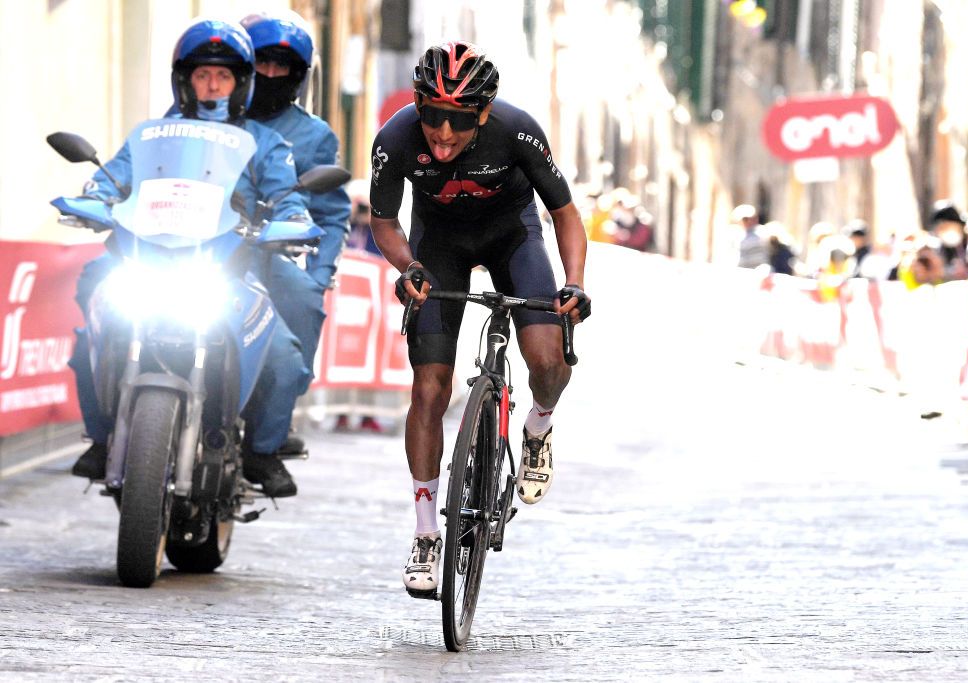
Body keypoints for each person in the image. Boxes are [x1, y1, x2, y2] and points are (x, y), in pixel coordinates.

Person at [367, 41, 591, 596]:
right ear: (418, 107)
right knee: (428, 389)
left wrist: (575, 283)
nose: (442, 135)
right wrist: (409, 266)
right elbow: (384, 221)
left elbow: (565, 213)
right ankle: (424, 533)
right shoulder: (394, 139)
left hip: (512, 236)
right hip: (438, 246)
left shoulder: (517, 130)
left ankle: (538, 424)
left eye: (459, 123)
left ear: (483, 114)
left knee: (546, 359)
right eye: (432, 118)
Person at [68, 18, 312, 497]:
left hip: (225, 265)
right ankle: (101, 438)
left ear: (242, 82)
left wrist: (290, 221)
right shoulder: (154, 135)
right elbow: (111, 178)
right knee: (89, 327)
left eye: (223, 76)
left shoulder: (266, 143)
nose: (212, 85)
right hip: (150, 260)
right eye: (203, 75)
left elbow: (288, 197)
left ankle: (262, 452)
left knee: (283, 355)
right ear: (185, 80)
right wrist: (93, 199)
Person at [239, 11, 352, 455]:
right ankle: (109, 428)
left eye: (280, 67)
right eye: (260, 64)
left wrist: (319, 277)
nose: (269, 74)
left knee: (301, 308)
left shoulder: (314, 135)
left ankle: (270, 433)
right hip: (197, 248)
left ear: (298, 76)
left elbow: (330, 211)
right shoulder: (210, 113)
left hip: (270, 254)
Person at [731, 204, 767, 268]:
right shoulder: (735, 234)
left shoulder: (762, 233)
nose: (748, 221)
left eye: (750, 219)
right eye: (745, 219)